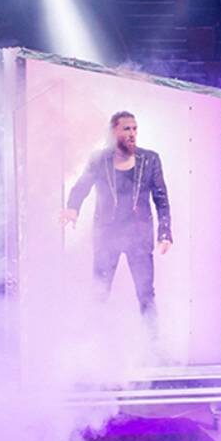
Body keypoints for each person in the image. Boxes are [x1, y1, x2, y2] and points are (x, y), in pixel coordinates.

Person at [60, 111, 172, 333]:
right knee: (99, 292)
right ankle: (93, 342)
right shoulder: (99, 159)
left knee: (146, 294)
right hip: (107, 236)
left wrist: (164, 233)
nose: (132, 133)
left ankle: (153, 344)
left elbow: (161, 198)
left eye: (135, 129)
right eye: (126, 129)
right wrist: (72, 207)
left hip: (138, 237)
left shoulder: (150, 159)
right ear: (114, 132)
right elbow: (82, 186)